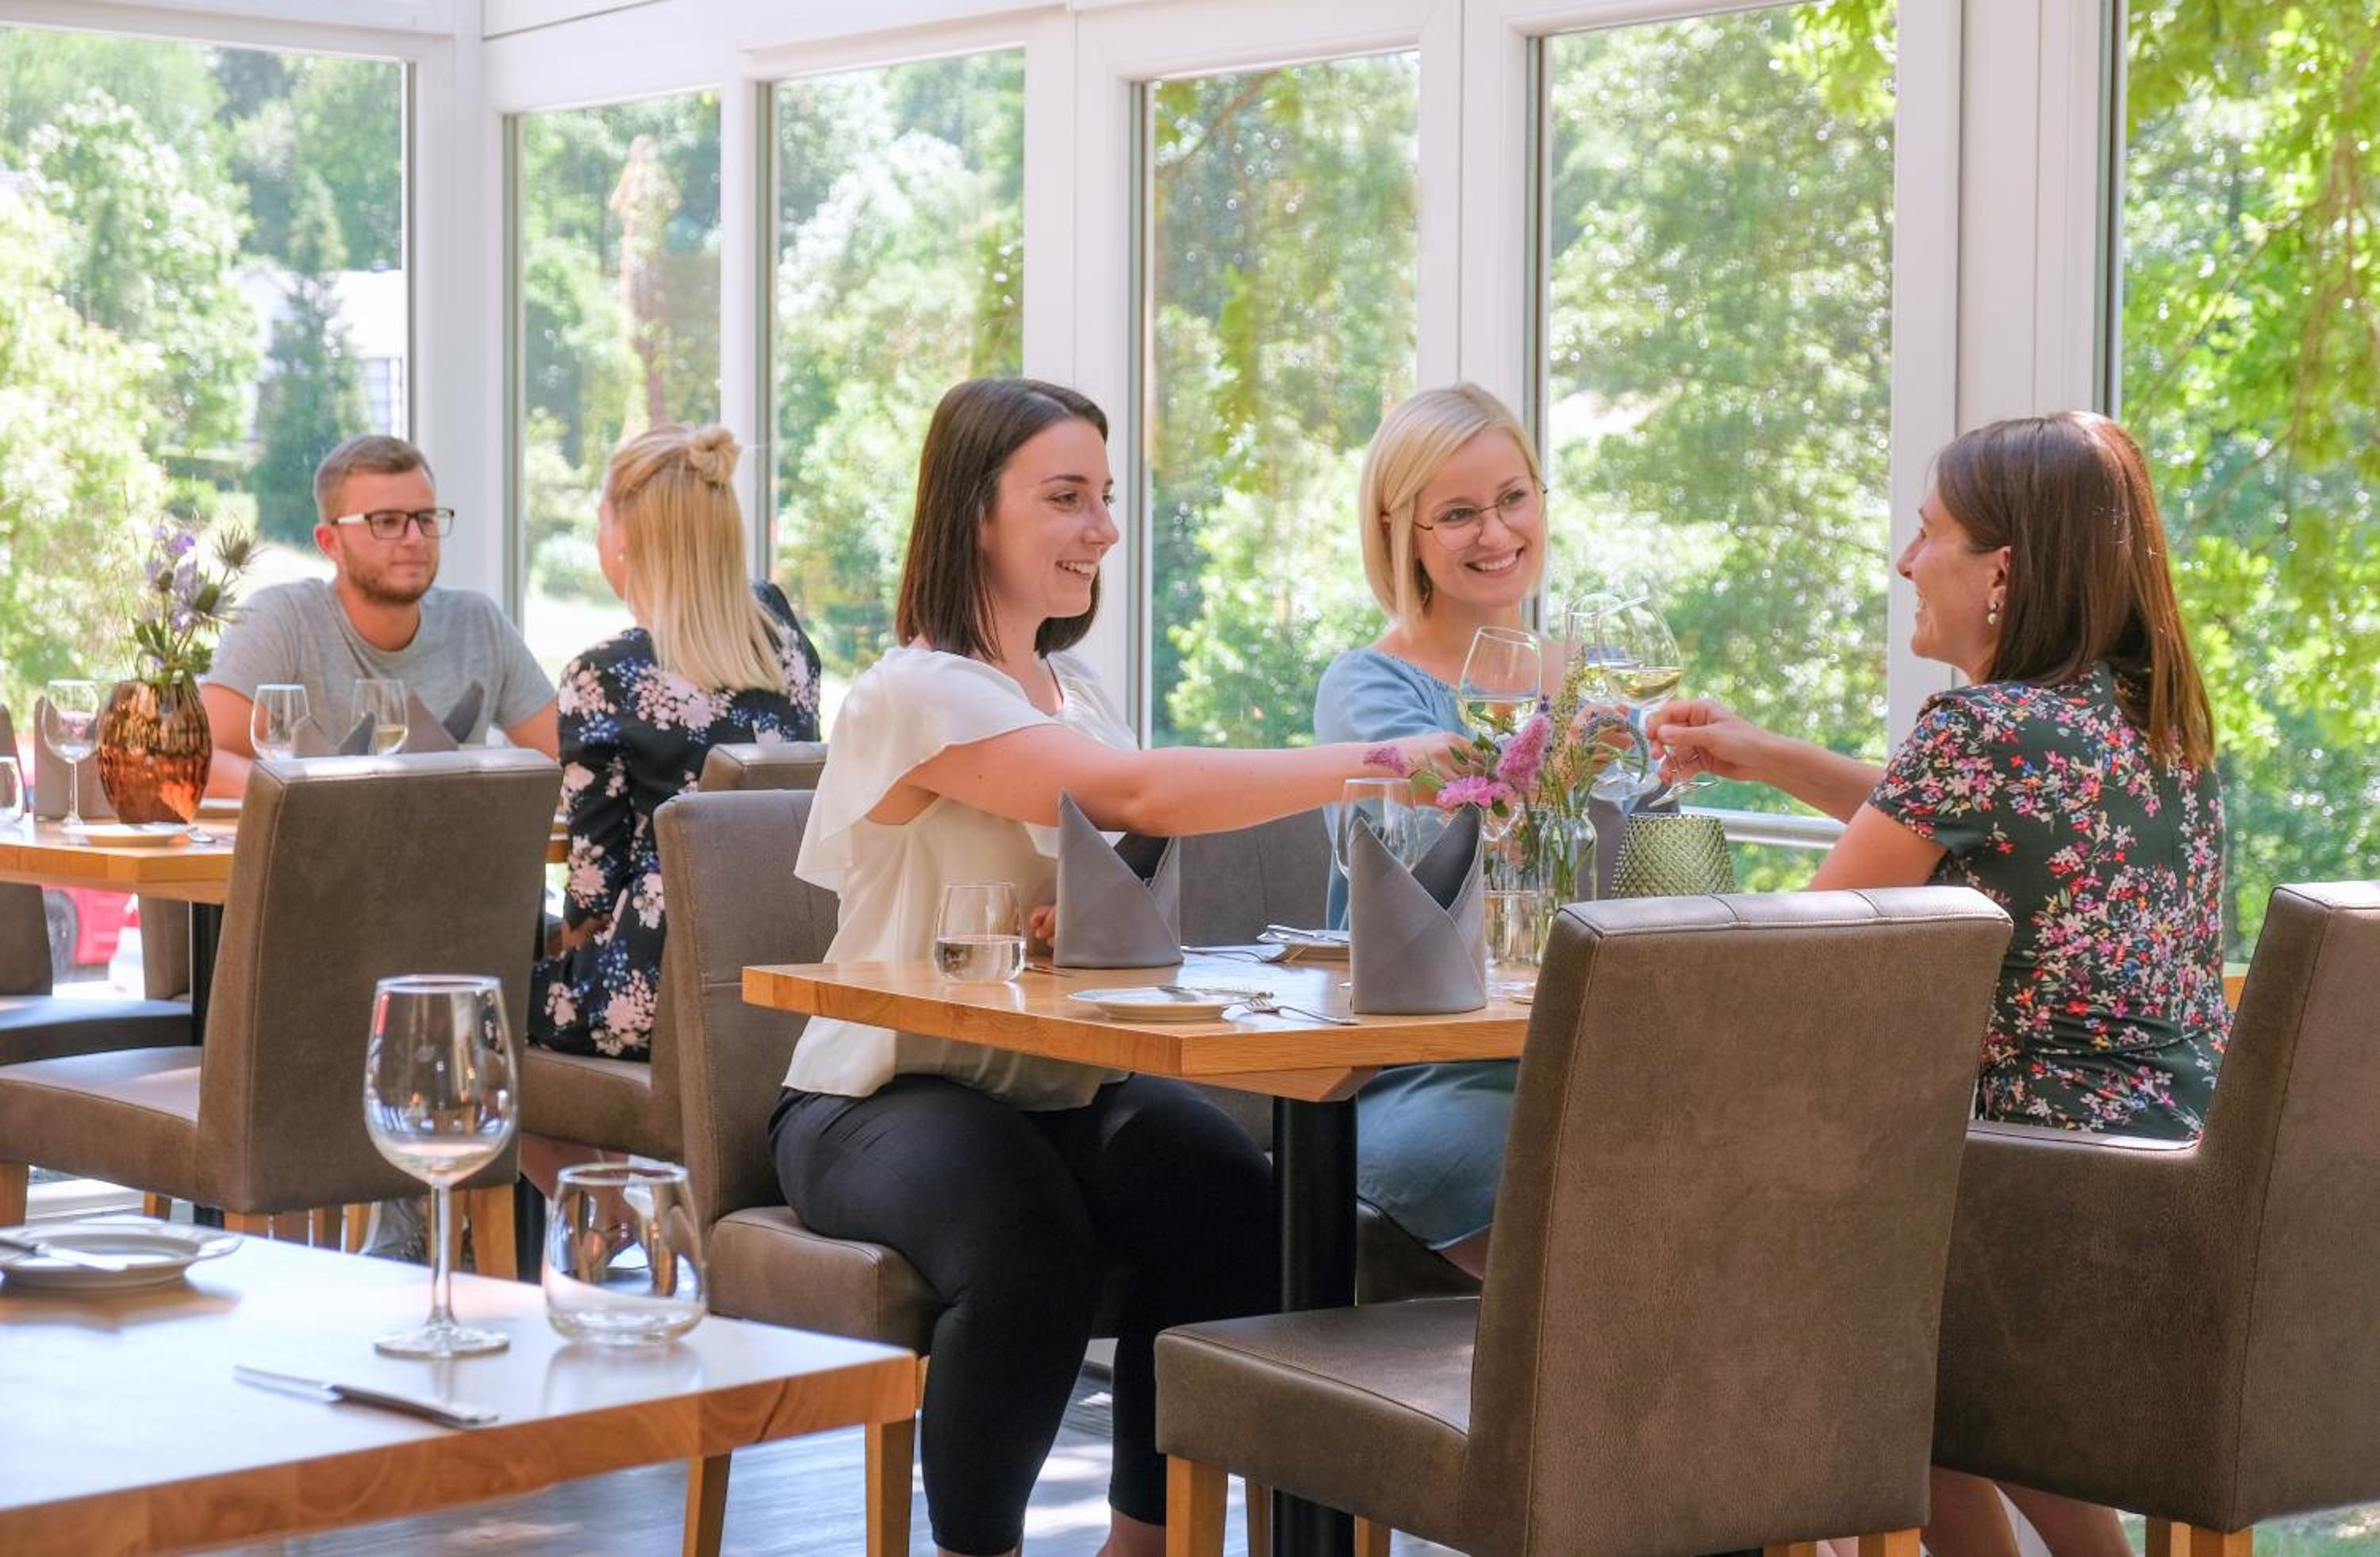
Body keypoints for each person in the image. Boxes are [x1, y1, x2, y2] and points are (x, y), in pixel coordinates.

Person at [774, 377, 1458, 1557]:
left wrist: (1073, 920)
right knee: (1029, 1245)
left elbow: (1108, 870)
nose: (1102, 528)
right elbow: (1138, 796)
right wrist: (1386, 757)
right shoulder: (915, 690)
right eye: (1065, 497)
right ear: (974, 512)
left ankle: (1143, 1545)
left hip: (1058, 1084)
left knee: (1238, 1207)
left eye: (1105, 496)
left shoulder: (1078, 696)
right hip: (875, 1093)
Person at [1653, 410, 2225, 1557]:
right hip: (2186, 1193)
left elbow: (1794, 961)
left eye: (1927, 535)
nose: (1906, 562)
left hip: (2039, 1204)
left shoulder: (1980, 730)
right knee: (1883, 1331)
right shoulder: (2154, 724)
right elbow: (1968, 818)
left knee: (1791, 1296)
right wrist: (1765, 754)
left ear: (2001, 573)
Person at [1311, 382, 1549, 1281]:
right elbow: (1444, 852)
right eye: (1457, 515)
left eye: (1512, 498)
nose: (1496, 533)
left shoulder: (1592, 678)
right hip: (1429, 1065)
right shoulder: (1370, 687)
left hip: (1588, 1047)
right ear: (1398, 532)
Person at [529, 423, 821, 1060]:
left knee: (485, 989)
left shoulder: (605, 674)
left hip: (661, 990)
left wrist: (559, 943)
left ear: (626, 537)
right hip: (787, 966)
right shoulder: (786, 643)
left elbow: (592, 891)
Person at [202, 434, 559, 791]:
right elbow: (204, 761)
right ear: (330, 542)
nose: (416, 538)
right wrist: (317, 803)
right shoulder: (280, 620)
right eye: (386, 521)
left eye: (426, 518)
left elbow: (568, 760)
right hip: (316, 828)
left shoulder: (477, 624)